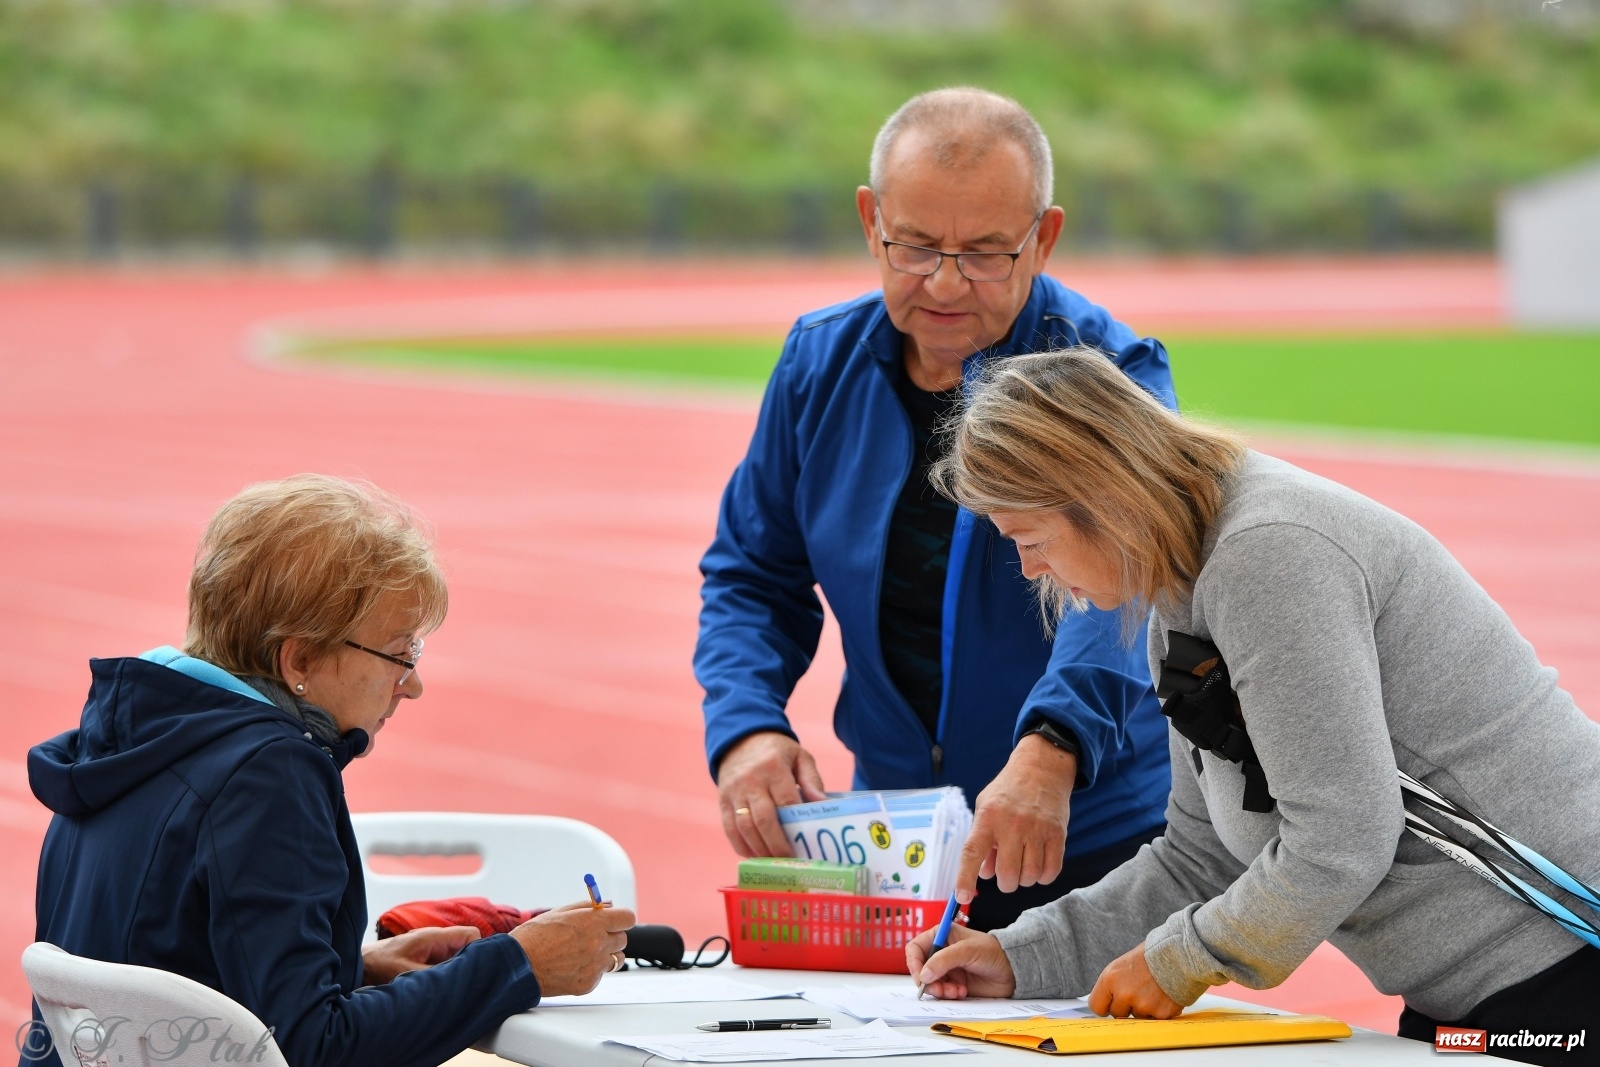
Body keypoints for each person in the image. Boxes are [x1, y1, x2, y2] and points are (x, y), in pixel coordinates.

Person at [906, 349, 1600, 1064]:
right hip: (1481, 988)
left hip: (1567, 957)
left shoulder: (1266, 555)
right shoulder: (1180, 599)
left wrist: (1179, 960)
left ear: (1099, 493)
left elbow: (1342, 839)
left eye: (1030, 538)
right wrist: (1020, 955)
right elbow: (1197, 857)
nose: (1028, 568)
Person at [696, 87, 1175, 930]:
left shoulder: (1109, 370)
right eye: (914, 247)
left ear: (1044, 238)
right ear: (869, 220)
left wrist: (1055, 746)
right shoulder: (817, 364)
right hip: (899, 840)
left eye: (986, 253)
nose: (946, 284)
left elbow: (1131, 581)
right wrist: (746, 728)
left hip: (1087, 829)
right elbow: (752, 572)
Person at [25, 475, 635, 1067]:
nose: (413, 685)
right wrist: (518, 965)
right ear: (301, 659)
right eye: (400, 653)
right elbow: (314, 1048)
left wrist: (356, 969)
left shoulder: (120, 742)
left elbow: (182, 973)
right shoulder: (267, 774)